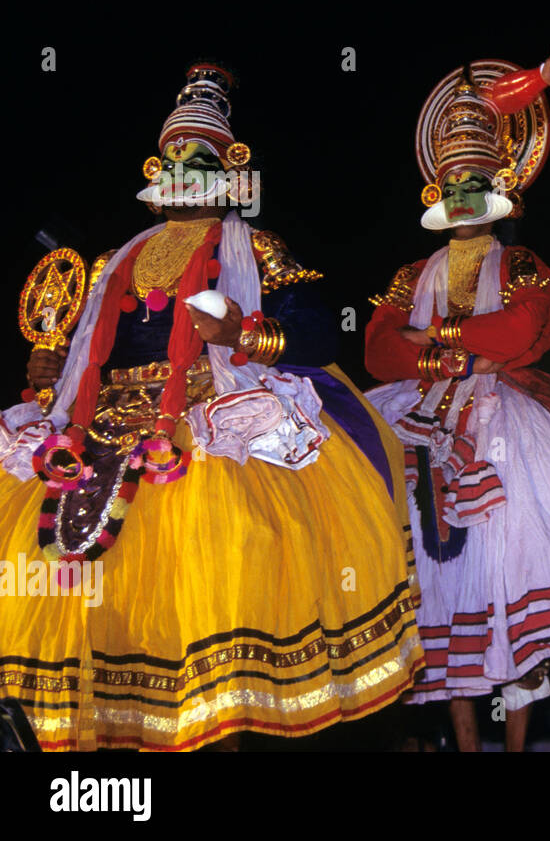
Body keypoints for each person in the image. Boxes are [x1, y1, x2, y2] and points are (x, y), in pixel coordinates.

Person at [0, 63, 423, 750]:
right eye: (170, 158)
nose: (180, 171)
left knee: (213, 590)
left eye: (195, 159)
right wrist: (48, 370)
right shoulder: (114, 260)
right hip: (100, 437)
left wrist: (243, 333)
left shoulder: (252, 249)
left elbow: (320, 331)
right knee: (58, 582)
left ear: (228, 170)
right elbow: (83, 355)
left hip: (203, 429)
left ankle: (216, 735)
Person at [364, 60, 550, 752]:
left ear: (501, 189)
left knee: (515, 564)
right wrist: (453, 355)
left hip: (505, 415)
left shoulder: (521, 264)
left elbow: (520, 331)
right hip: (418, 412)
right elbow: (377, 348)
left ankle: (515, 743)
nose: (461, 194)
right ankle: (464, 741)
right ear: (435, 188)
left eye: (475, 183)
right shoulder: (409, 273)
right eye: (452, 182)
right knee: (432, 572)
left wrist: (431, 335)